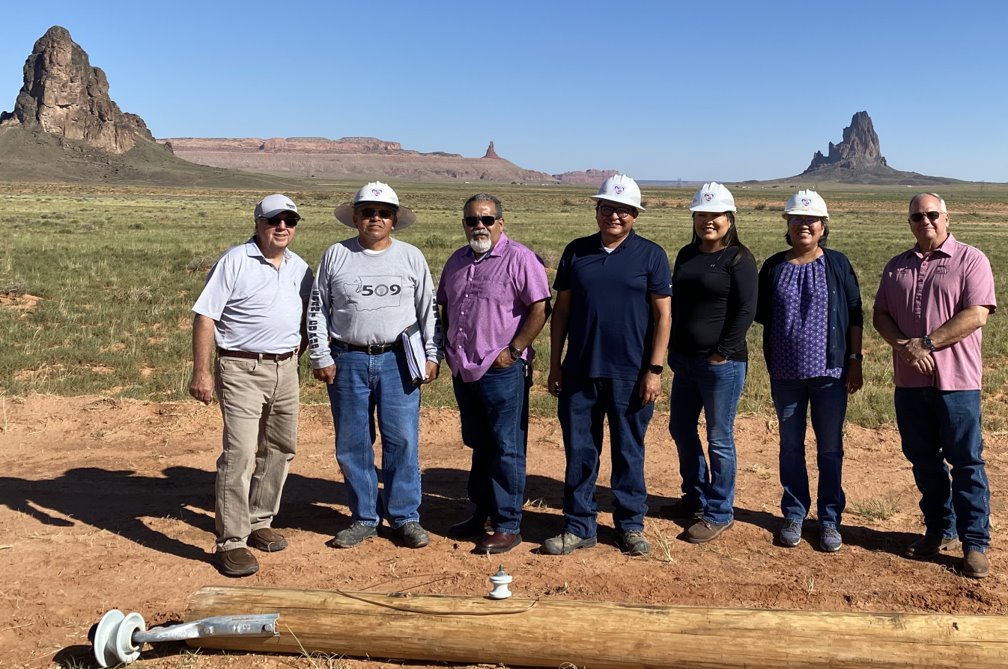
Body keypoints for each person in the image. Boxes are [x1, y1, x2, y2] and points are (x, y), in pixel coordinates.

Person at [308, 181, 441, 550]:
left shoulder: (411, 257)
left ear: (394, 220)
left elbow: (428, 310)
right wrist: (320, 354)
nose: (375, 218)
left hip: (399, 360)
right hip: (347, 358)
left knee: (402, 440)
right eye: (368, 212)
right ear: (355, 218)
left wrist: (433, 354)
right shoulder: (336, 255)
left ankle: (404, 517)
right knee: (353, 442)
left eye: (384, 213)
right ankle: (364, 517)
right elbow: (318, 308)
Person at [545, 174, 672, 556]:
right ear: (597, 210)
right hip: (580, 370)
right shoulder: (577, 251)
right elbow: (561, 311)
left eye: (623, 210)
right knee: (580, 452)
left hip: (630, 374)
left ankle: (630, 525)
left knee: (628, 452)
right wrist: (555, 364)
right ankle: (579, 526)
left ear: (635, 215)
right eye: (607, 208)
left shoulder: (651, 255)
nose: (614, 216)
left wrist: (654, 371)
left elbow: (663, 316)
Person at [873, 192, 996, 579]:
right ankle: (940, 529)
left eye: (931, 214)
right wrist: (904, 347)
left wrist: (926, 343)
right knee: (923, 459)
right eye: (917, 217)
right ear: (909, 222)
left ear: (946, 217)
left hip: (957, 381)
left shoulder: (970, 259)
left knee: (966, 461)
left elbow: (977, 314)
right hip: (909, 381)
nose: (925, 221)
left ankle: (975, 542)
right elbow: (880, 315)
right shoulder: (896, 266)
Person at [189, 194, 313, 577]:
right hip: (241, 367)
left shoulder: (300, 268)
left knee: (280, 448)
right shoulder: (235, 261)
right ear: (258, 223)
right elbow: (205, 317)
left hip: (286, 368)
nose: (282, 227)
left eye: (290, 220)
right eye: (274, 220)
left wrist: (297, 353)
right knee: (240, 454)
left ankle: (260, 520)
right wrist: (202, 372)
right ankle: (231, 541)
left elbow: (308, 316)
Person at [437, 194, 551, 554]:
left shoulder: (520, 258)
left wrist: (514, 351)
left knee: (506, 446)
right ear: (464, 224)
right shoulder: (456, 261)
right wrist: (449, 348)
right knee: (479, 443)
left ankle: (507, 524)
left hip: (501, 370)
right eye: (472, 220)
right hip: (464, 368)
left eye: (487, 219)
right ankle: (481, 512)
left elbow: (540, 307)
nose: (479, 226)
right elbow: (445, 306)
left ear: (501, 222)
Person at [755, 190, 863, 553]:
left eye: (811, 220)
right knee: (790, 446)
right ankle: (794, 513)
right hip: (785, 373)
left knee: (830, 448)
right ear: (787, 224)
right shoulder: (773, 266)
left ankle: (830, 518)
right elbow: (761, 313)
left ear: (823, 226)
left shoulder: (837, 264)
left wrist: (854, 360)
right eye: (797, 219)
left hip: (830, 372)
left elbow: (855, 313)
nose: (804, 225)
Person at [666, 182, 757, 543]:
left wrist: (722, 352)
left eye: (715, 214)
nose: (708, 220)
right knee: (680, 428)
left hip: (722, 365)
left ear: (729, 219)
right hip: (685, 362)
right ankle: (694, 497)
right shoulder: (687, 254)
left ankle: (720, 511)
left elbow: (746, 310)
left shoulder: (739, 258)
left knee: (719, 438)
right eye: (701, 214)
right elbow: (677, 304)